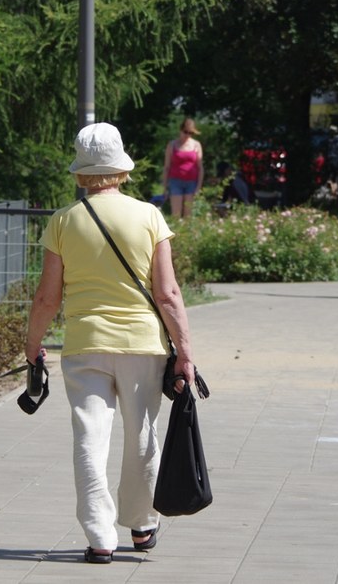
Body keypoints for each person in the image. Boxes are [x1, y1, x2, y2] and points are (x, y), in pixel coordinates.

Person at [25, 123, 195, 564]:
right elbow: (168, 294)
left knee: (89, 436)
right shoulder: (150, 216)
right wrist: (186, 355)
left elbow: (47, 296)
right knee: (141, 433)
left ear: (81, 172)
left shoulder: (64, 221)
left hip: (84, 344)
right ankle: (141, 524)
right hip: (143, 343)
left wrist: (32, 345)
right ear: (120, 168)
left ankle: (99, 536)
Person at [162, 117, 204, 218]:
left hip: (192, 182)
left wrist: (198, 187)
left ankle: (187, 234)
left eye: (191, 133)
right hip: (175, 181)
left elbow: (200, 168)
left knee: (188, 215)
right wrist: (164, 187)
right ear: (181, 130)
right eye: (186, 132)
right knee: (176, 214)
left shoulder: (196, 145)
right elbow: (167, 167)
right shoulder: (172, 145)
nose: (188, 135)